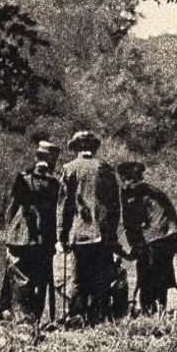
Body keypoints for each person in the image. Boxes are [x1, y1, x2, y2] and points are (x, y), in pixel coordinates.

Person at [57, 131, 123, 324]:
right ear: (93, 148)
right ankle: (98, 316)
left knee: (78, 277)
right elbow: (114, 205)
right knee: (101, 276)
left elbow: (64, 206)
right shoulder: (105, 168)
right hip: (102, 233)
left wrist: (61, 234)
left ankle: (77, 317)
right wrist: (112, 233)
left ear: (77, 147)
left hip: (79, 234)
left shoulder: (69, 169)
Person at [0, 140, 61, 323]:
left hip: (19, 238)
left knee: (20, 279)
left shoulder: (21, 178)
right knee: (39, 282)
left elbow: (11, 208)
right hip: (42, 240)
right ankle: (31, 320)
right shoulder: (54, 184)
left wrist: (8, 234)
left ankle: (20, 320)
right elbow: (54, 215)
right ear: (51, 160)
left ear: (37, 158)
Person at [117, 159, 177, 314]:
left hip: (157, 236)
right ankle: (159, 308)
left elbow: (131, 223)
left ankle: (149, 310)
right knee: (160, 272)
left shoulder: (132, 192)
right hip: (169, 235)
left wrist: (135, 247)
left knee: (147, 272)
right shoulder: (150, 189)